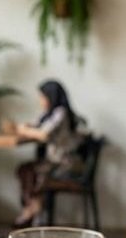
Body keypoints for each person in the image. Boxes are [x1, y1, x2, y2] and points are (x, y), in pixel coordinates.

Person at [14, 80, 86, 227]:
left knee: (33, 172)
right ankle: (33, 207)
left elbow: (44, 134)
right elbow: (37, 125)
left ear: (51, 96)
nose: (40, 101)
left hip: (64, 163)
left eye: (42, 97)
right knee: (25, 170)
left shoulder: (61, 113)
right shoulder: (49, 114)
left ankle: (33, 208)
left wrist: (25, 130)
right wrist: (27, 126)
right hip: (53, 161)